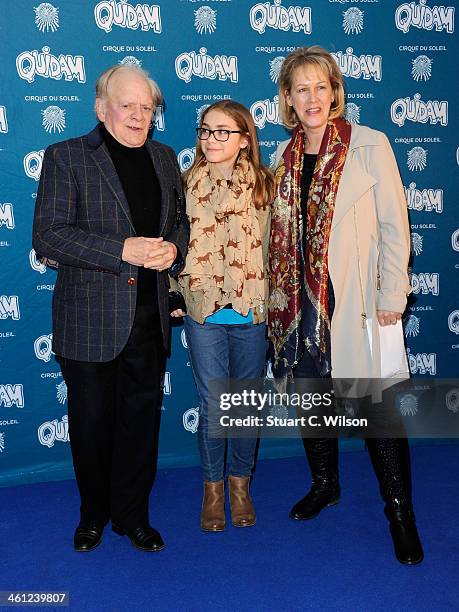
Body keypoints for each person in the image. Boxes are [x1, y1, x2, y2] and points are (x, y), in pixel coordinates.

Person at [268, 46, 424, 564]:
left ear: (335, 92)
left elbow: (393, 228)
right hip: (301, 313)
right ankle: (325, 485)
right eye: (301, 89)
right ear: (287, 99)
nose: (313, 98)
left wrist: (391, 295)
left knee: (377, 414)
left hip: (358, 305)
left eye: (322, 87)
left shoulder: (369, 145)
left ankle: (400, 513)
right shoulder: (281, 160)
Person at [32, 64, 189, 552]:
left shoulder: (165, 158)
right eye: (129, 106)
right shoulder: (67, 157)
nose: (140, 116)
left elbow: (179, 223)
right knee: (92, 426)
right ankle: (93, 515)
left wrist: (173, 251)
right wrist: (124, 249)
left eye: (148, 107)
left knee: (140, 426)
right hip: (89, 323)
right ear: (102, 109)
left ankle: (132, 515)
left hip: (149, 320)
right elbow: (48, 236)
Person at [170, 101, 274, 531]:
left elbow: (276, 249)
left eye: (222, 132)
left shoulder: (266, 186)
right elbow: (173, 242)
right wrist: (174, 292)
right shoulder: (183, 184)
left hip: (251, 310)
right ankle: (213, 490)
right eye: (205, 131)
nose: (211, 140)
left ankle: (240, 487)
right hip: (202, 309)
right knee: (213, 406)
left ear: (245, 140)